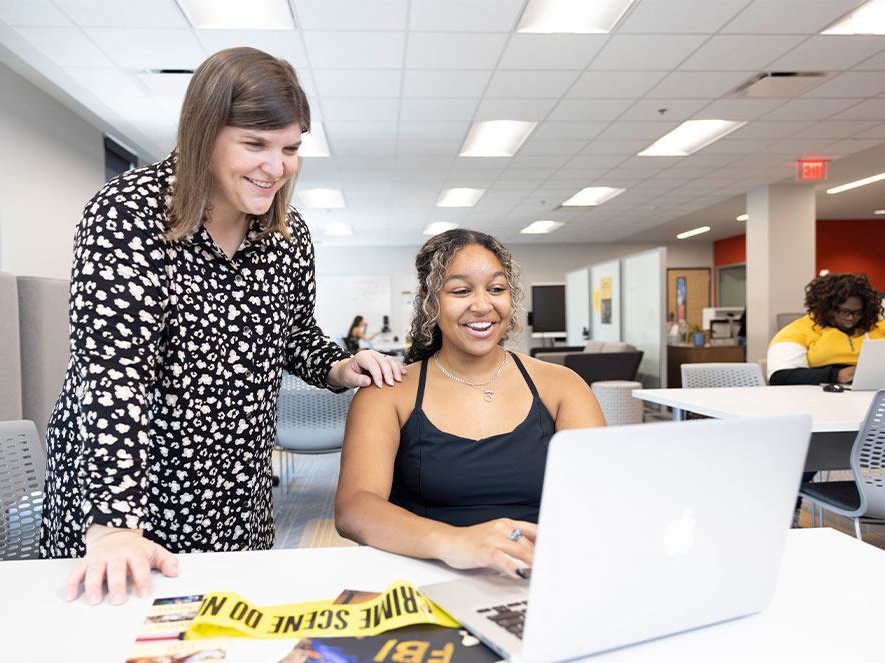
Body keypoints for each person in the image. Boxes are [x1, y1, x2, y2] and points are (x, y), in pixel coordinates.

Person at [40, 47, 404, 605]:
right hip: (130, 499)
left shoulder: (285, 234)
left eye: (290, 148)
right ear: (203, 134)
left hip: (236, 493)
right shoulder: (129, 214)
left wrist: (338, 365)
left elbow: (295, 333)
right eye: (254, 144)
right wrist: (114, 525)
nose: (276, 167)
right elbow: (114, 377)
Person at [334, 229, 605, 578]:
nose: (482, 305)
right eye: (461, 290)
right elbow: (354, 509)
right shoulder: (388, 391)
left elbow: (596, 497)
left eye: (496, 289)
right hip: (421, 576)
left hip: (536, 576)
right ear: (429, 301)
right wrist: (458, 543)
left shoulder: (562, 386)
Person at [768, 273, 885, 385]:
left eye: (858, 312)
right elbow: (780, 377)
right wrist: (836, 375)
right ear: (825, 308)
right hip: (818, 397)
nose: (851, 318)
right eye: (843, 312)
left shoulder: (877, 327)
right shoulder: (795, 331)